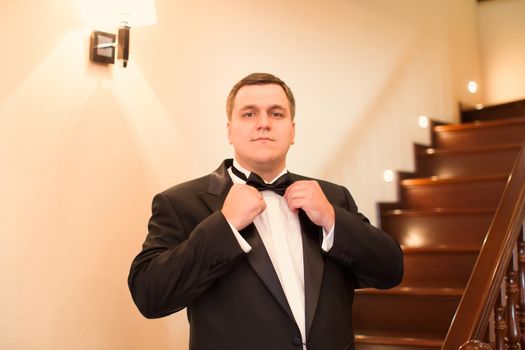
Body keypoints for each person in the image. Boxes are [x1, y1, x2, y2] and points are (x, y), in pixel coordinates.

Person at [128, 72, 403, 350]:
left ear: (292, 131)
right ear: (229, 130)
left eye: (276, 114)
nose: (263, 124)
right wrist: (225, 226)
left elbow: (391, 271)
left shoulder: (333, 197)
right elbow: (150, 296)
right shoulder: (180, 203)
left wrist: (332, 219)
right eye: (249, 114)